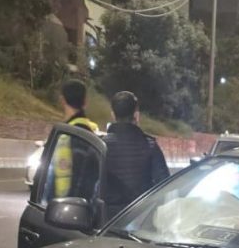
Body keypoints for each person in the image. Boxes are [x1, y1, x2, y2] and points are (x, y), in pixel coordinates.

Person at [101, 91, 169, 221]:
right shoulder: (150, 145)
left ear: (113, 115)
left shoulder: (101, 146)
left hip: (106, 222)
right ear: (136, 115)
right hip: (141, 220)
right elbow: (165, 185)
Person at [51, 79, 100, 199]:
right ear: (85, 102)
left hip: (61, 209)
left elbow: (51, 179)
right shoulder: (91, 135)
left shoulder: (65, 134)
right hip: (81, 208)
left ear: (62, 100)